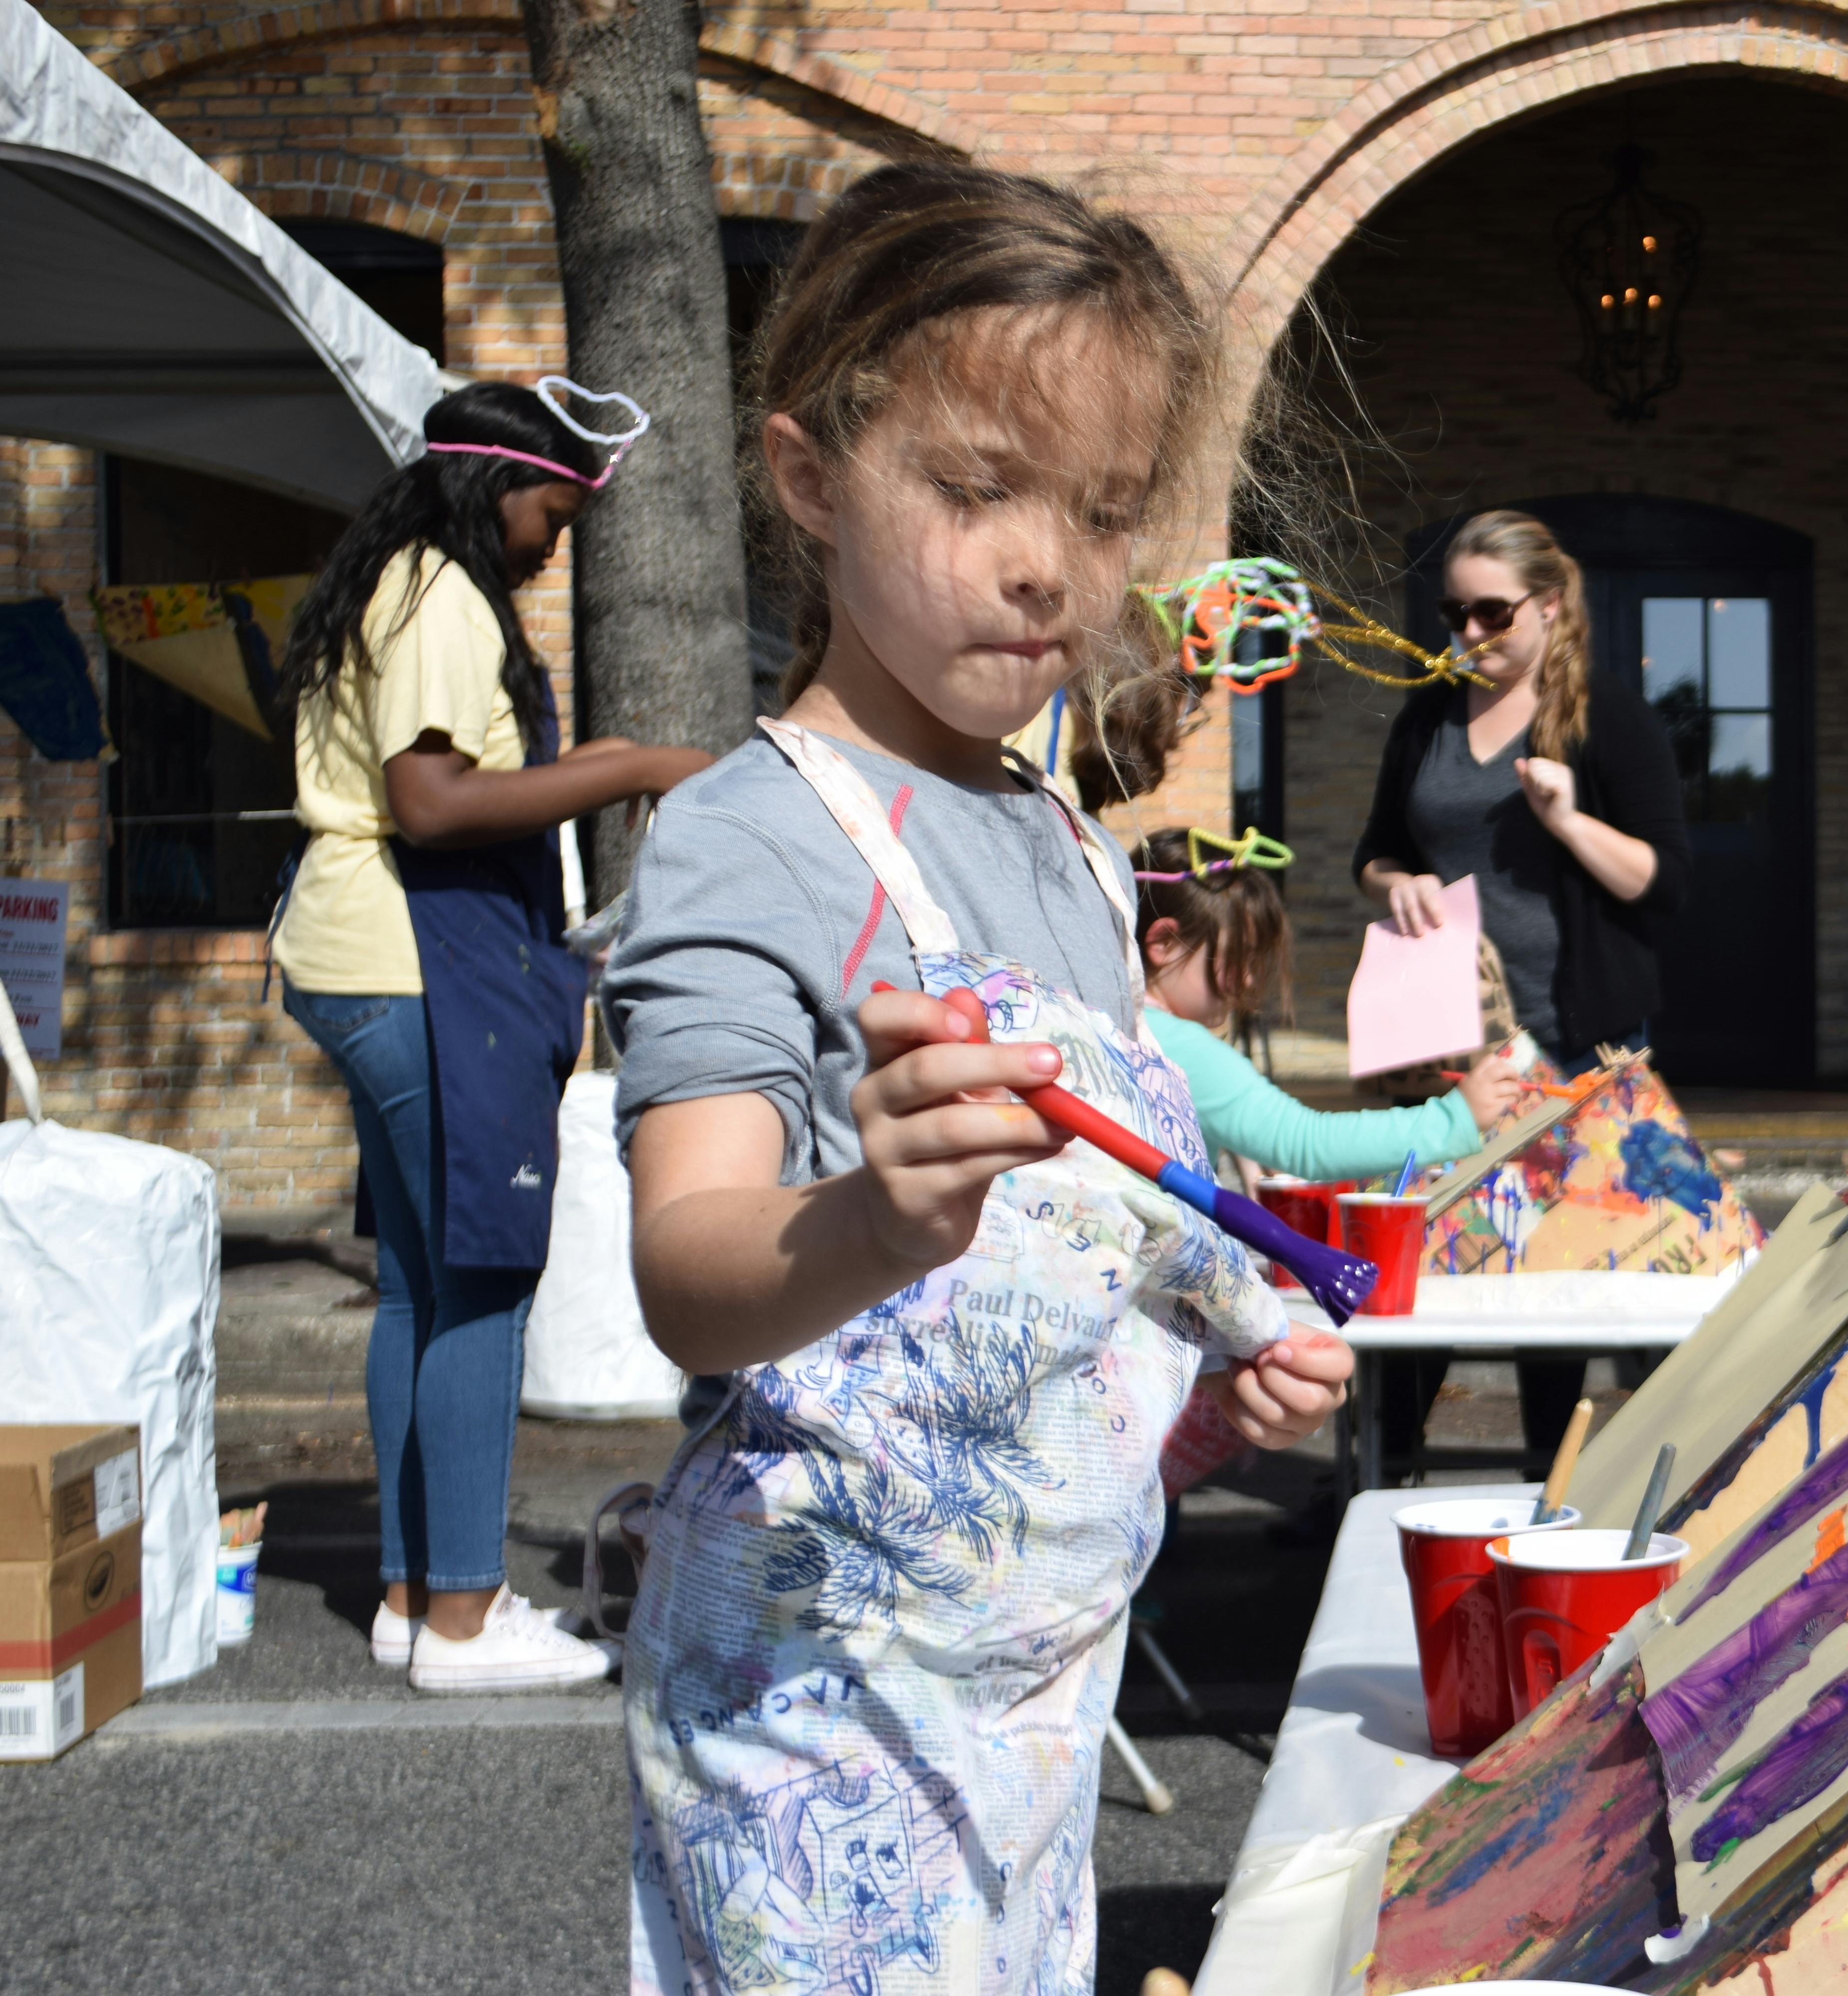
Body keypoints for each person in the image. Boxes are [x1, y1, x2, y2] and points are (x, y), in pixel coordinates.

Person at [600, 163, 1352, 1995]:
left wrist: (1207, 1388)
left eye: (1101, 514)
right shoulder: (745, 839)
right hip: (816, 1717)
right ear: (807, 478)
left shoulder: (1076, 851)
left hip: (1030, 1706)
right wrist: (873, 1210)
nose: (1048, 565)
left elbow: (1067, 1298)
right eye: (975, 487)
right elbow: (688, 1270)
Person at [267, 380, 711, 1692]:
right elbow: (433, 802)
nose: (552, 542)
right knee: (482, 1284)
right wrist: (636, 764)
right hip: (416, 961)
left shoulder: (394, 583)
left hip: (364, 956)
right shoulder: (443, 597)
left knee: (419, 1285)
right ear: (490, 488)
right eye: (550, 513)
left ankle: (415, 1597)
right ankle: (463, 1621)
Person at [1352, 509, 1692, 1461]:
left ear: (1547, 606)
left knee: (1560, 1275)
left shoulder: (1606, 719)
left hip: (1576, 1038)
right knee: (1425, 1263)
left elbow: (1664, 884)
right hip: (1447, 1046)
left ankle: (1557, 1475)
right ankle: (1388, 1465)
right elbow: (1373, 854)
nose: (1467, 635)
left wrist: (1571, 822)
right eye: (1454, 614)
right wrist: (1399, 881)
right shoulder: (1429, 716)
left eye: (1491, 614)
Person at [1133, 830, 1531, 1181]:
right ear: (1165, 943)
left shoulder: (1127, 1023)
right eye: (1239, 957)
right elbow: (1307, 1143)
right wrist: (1455, 1119)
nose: (1250, 980)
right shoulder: (1178, 1047)